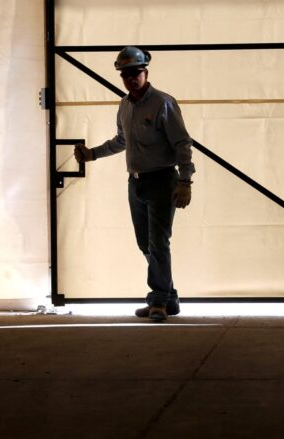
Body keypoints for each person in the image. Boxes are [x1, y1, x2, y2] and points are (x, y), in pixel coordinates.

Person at [73, 46, 195, 322]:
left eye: (136, 73)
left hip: (163, 180)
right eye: (126, 75)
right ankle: (169, 298)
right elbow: (121, 141)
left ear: (146, 73)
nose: (131, 79)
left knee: (159, 242)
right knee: (145, 243)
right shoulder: (124, 105)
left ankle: (158, 301)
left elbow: (182, 143)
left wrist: (186, 180)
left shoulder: (163, 103)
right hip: (136, 182)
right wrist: (92, 154)